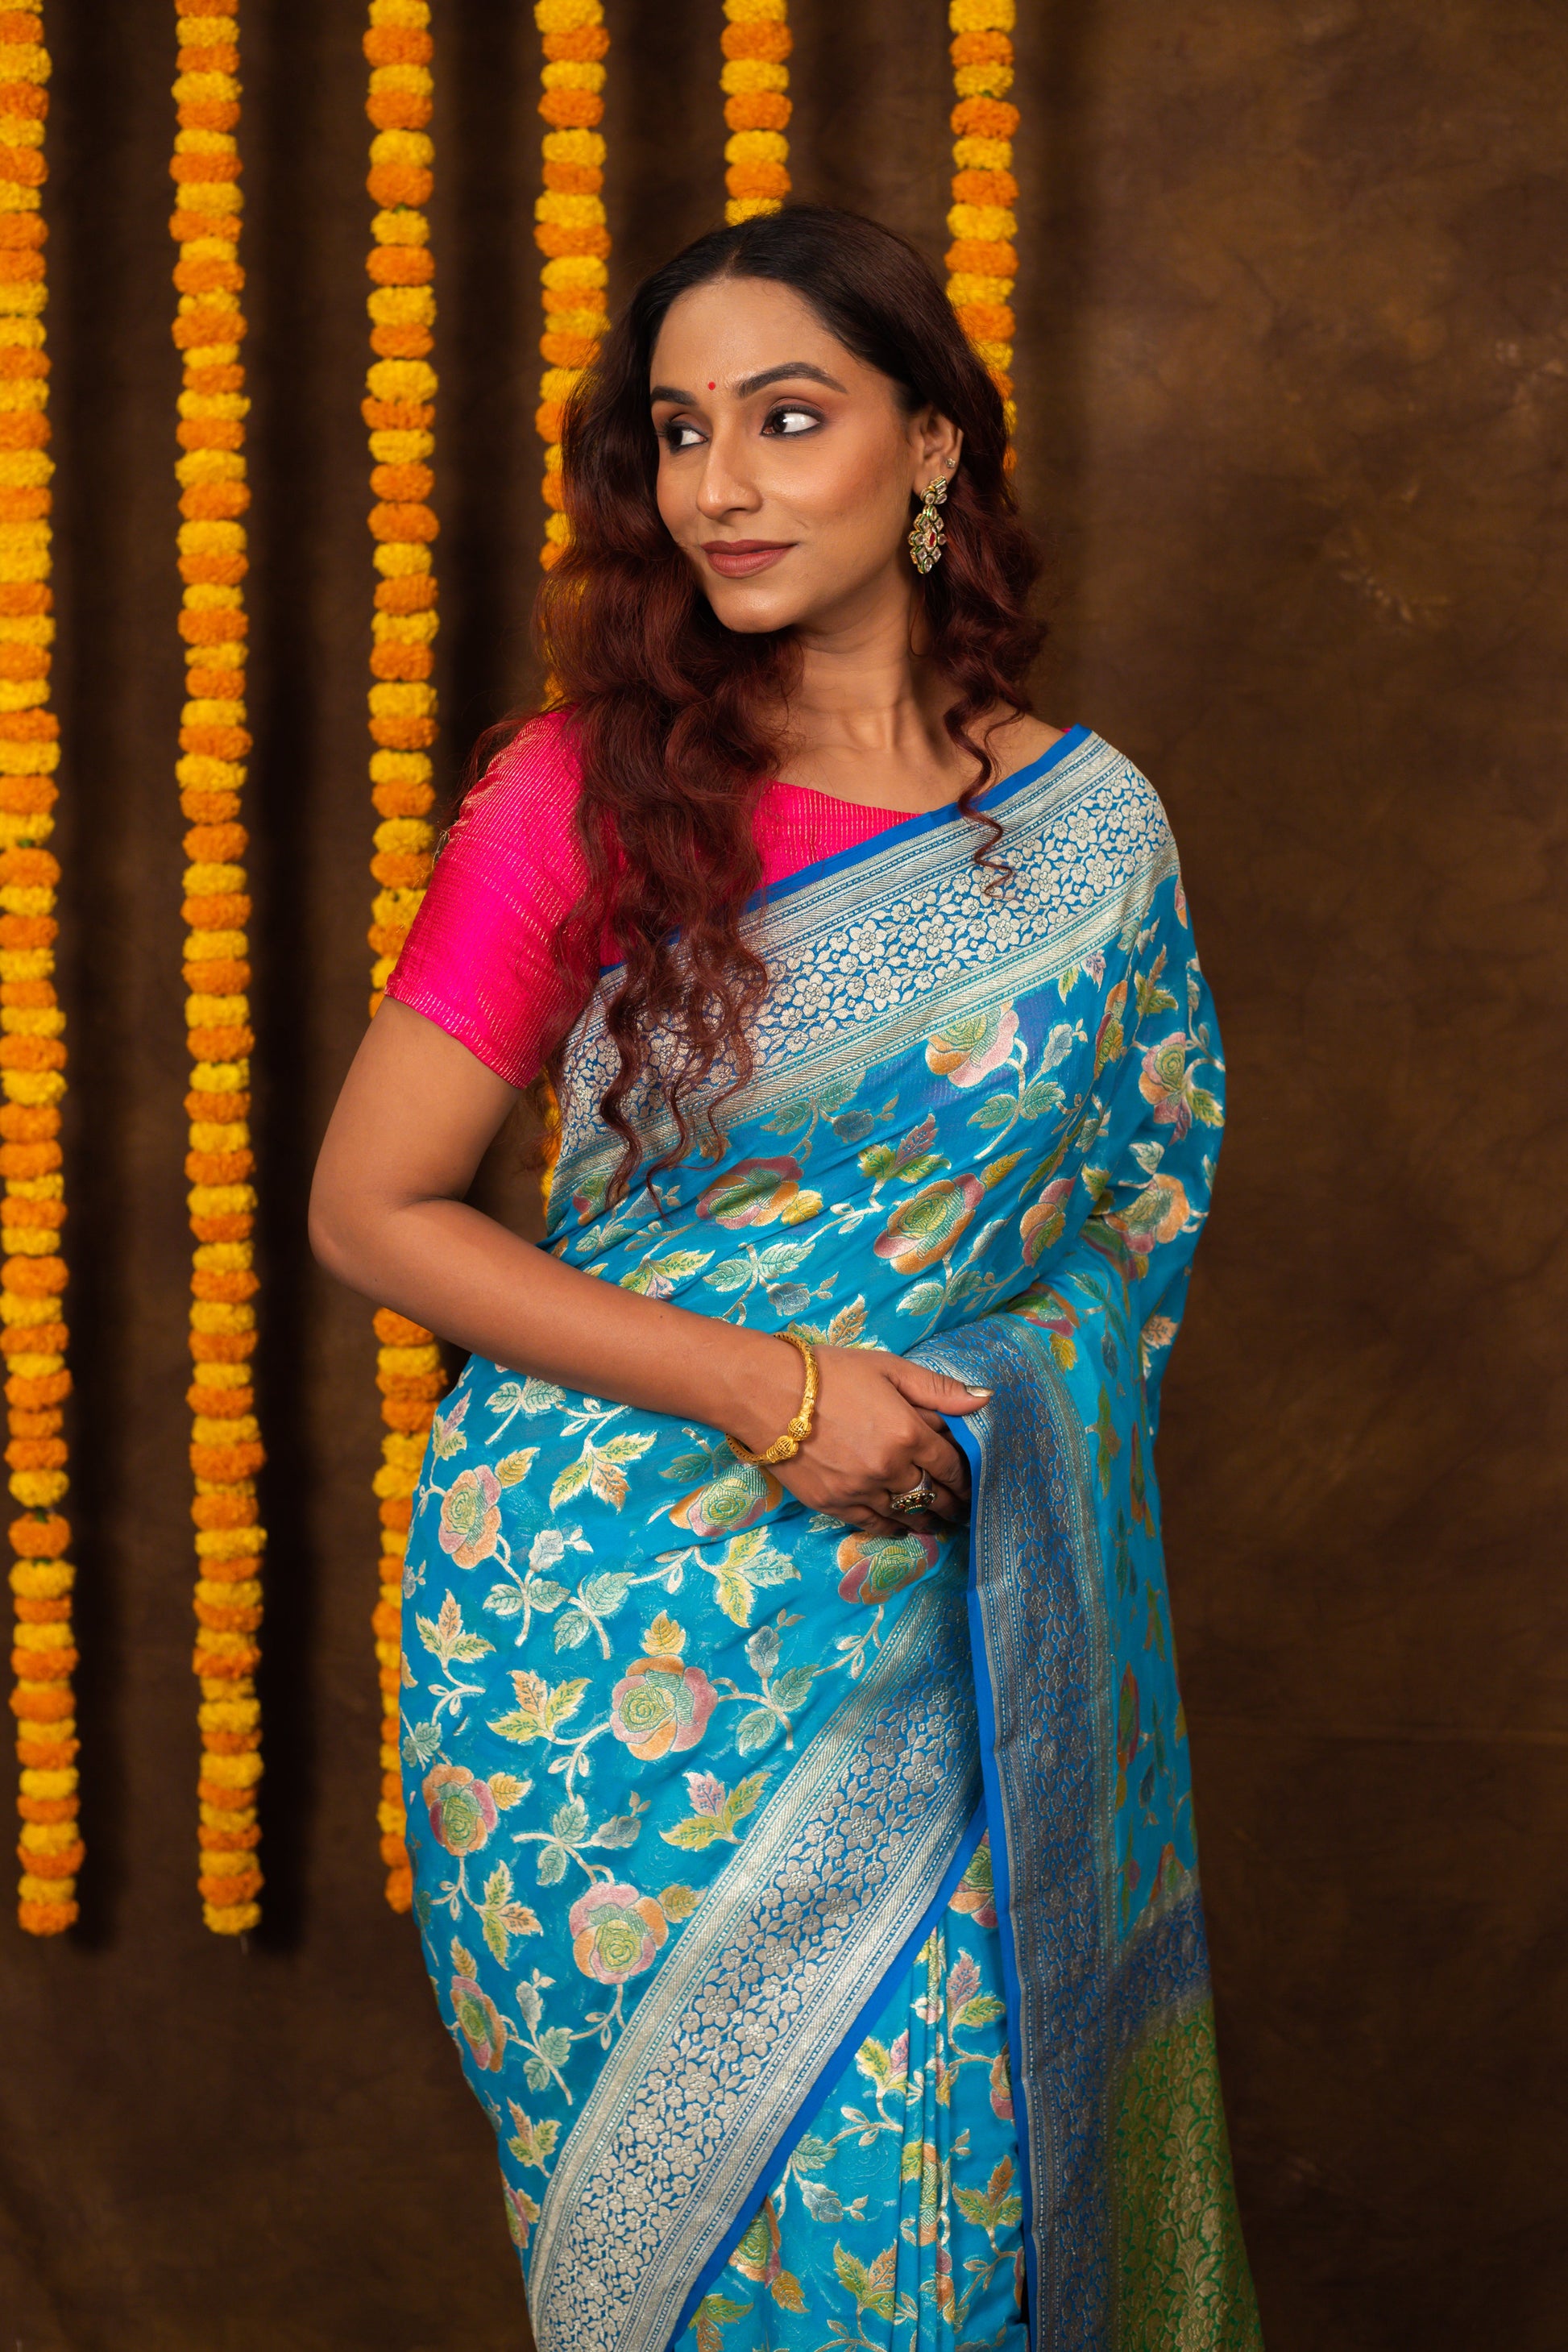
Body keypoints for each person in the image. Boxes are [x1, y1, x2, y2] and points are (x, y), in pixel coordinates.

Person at [310, 205, 1262, 2352]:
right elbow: (376, 1210)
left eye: (787, 418)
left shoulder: (1092, 834)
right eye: (679, 433)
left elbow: (1128, 1224)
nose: (720, 486)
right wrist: (774, 1388)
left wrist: (970, 1412)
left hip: (949, 1623)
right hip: (589, 1648)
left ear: (928, 448)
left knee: (959, 2241)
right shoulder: (584, 797)